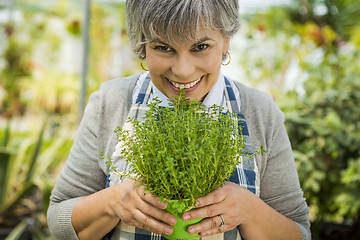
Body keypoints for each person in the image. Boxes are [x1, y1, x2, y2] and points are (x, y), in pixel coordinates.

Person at [47, 0, 311, 239]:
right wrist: (112, 203)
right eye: (163, 47)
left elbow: (299, 231)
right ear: (143, 45)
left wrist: (249, 210)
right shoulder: (111, 102)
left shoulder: (260, 111)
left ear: (226, 41)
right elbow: (59, 219)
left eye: (201, 47)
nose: (183, 71)